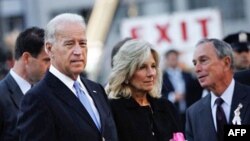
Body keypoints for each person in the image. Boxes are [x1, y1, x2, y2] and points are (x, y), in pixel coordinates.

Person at [17, 13, 118, 141]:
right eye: (69, 44)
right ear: (49, 49)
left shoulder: (96, 90)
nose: (78, 51)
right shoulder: (37, 99)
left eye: (82, 43)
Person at [106, 39, 182, 141]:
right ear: (126, 72)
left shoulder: (166, 107)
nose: (151, 73)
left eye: (153, 66)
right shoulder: (113, 110)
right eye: (142, 67)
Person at [186, 38, 250, 141]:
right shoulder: (193, 113)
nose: (197, 69)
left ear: (226, 62)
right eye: (194, 63)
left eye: (203, 60)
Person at [0, 27, 50, 141]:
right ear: (26, 58)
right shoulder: (2, 96)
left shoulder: (46, 94)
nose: (51, 67)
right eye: (46, 60)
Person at [161, 49, 203, 130]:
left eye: (175, 58)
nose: (173, 60)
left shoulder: (187, 75)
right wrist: (172, 96)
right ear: (166, 60)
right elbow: (159, 95)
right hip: (171, 115)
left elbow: (195, 91)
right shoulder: (162, 78)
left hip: (188, 112)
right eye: (171, 58)